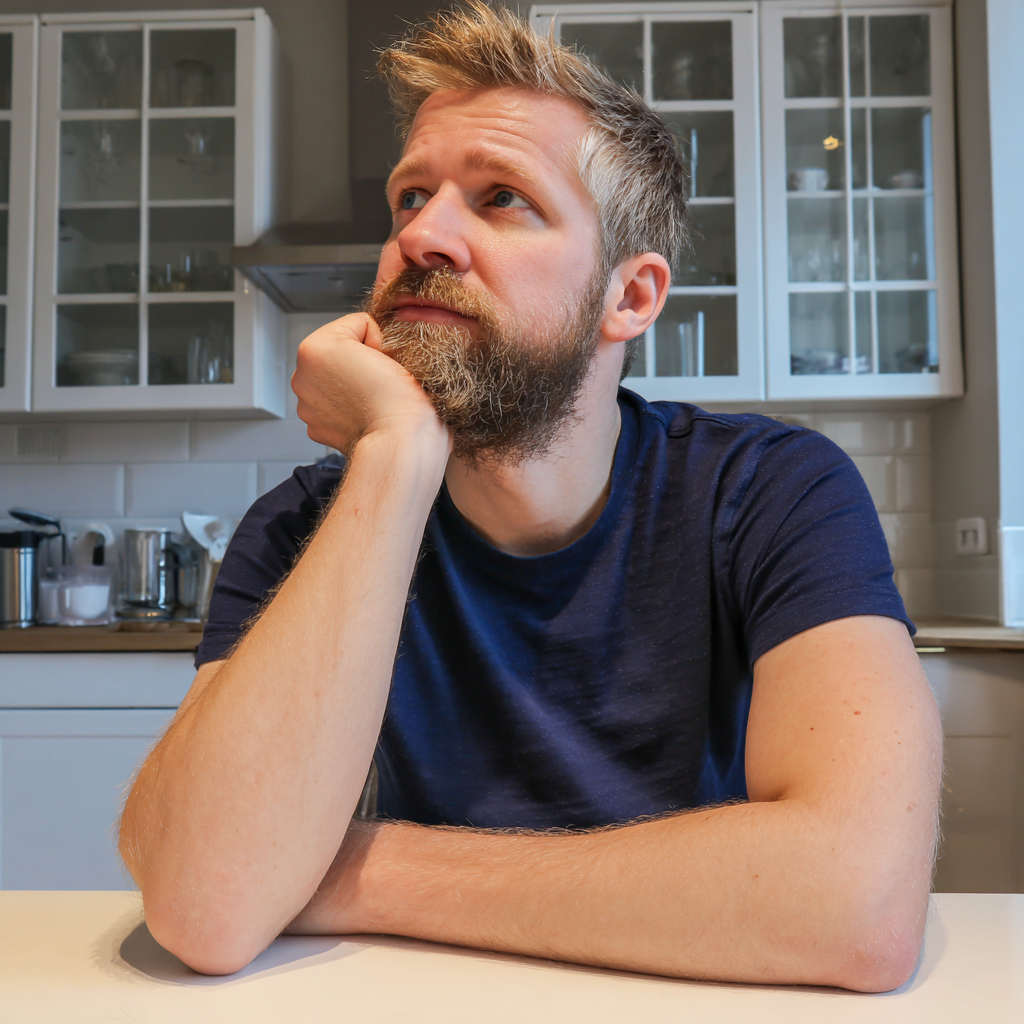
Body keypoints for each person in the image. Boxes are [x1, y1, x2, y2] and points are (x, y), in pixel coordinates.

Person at [119, 3, 941, 991]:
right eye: (410, 197)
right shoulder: (303, 525)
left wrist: (347, 870)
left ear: (628, 298)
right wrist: (391, 459)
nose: (424, 233)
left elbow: (854, 904)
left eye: (502, 197)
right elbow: (205, 901)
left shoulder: (769, 493)